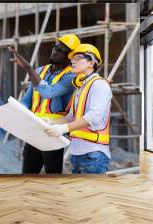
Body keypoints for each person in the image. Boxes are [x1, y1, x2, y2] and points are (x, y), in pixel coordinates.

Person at [8, 34, 81, 174]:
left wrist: (28, 68)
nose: (54, 51)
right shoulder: (40, 71)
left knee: (52, 177)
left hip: (52, 133)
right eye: (55, 47)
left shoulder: (71, 77)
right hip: (34, 131)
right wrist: (9, 115)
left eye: (60, 50)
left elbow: (48, 92)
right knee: (28, 176)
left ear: (71, 56)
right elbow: (26, 101)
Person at [43, 43, 112, 174]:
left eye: (78, 58)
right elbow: (70, 117)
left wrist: (64, 128)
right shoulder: (81, 87)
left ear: (91, 62)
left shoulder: (99, 85)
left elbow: (93, 117)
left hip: (93, 154)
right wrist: (50, 121)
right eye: (72, 59)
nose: (72, 61)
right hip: (76, 153)